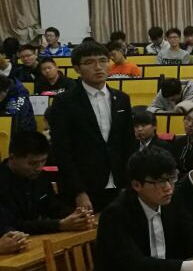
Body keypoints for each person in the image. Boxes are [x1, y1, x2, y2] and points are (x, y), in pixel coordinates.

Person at [47, 42, 136, 212]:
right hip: (84, 187)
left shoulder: (122, 98)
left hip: (119, 185)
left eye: (103, 61)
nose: (98, 67)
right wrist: (78, 191)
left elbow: (129, 144)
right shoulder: (64, 102)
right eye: (89, 62)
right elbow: (62, 151)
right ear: (77, 68)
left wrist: (129, 184)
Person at [0, 131, 93, 235]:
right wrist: (59, 225)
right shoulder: (3, 183)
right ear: (12, 157)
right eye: (32, 163)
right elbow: (12, 225)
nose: (39, 168)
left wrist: (78, 215)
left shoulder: (41, 176)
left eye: (43, 161)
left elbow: (53, 207)